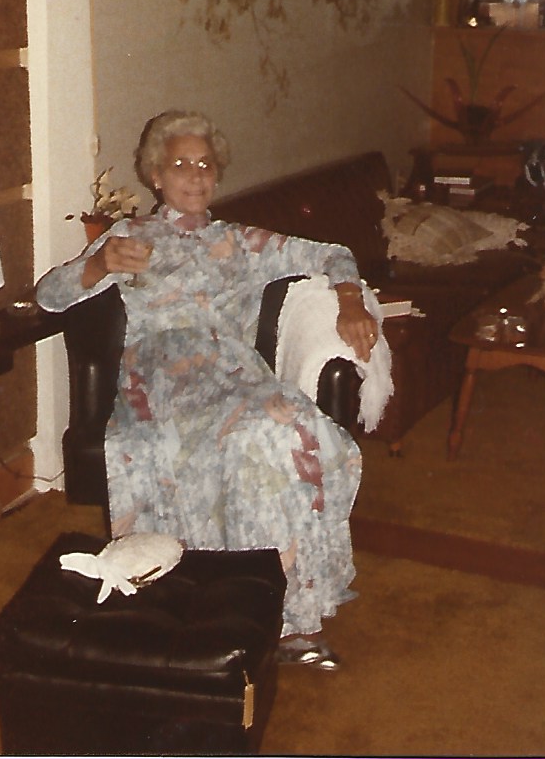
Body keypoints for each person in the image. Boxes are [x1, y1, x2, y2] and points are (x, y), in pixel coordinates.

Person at [37, 110, 380, 669]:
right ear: (156, 175)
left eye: (205, 165)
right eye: (180, 164)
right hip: (162, 375)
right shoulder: (130, 236)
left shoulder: (240, 242)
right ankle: (277, 619)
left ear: (217, 174)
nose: (194, 176)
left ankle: (285, 609)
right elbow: (50, 296)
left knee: (297, 430)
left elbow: (332, 253)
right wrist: (97, 264)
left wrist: (349, 299)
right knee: (263, 434)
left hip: (233, 372)